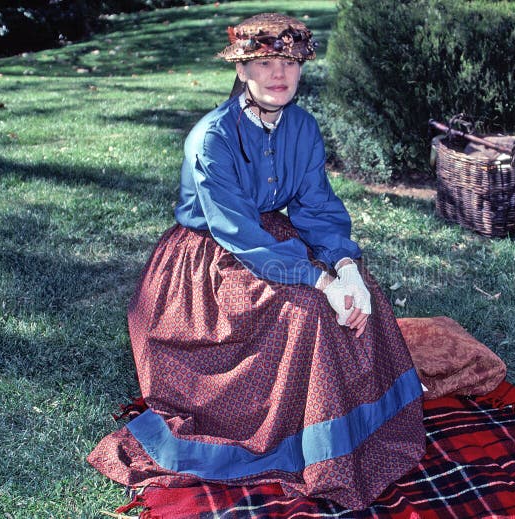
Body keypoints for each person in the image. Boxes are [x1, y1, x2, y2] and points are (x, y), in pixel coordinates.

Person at [88, 13, 426, 510]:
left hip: (272, 238)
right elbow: (239, 233)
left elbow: (315, 207)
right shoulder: (213, 137)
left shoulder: (303, 126)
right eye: (264, 62)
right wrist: (318, 279)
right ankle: (299, 441)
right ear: (243, 71)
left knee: (361, 289)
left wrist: (345, 267)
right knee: (306, 308)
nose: (278, 74)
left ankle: (350, 431)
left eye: (289, 62)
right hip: (206, 261)